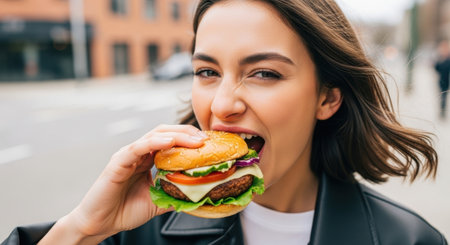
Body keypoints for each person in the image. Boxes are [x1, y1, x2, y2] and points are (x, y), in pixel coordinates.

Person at [3, 0, 448, 244]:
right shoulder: (134, 231)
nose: (222, 104)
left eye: (264, 73)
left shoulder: (407, 241)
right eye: (207, 72)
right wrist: (83, 229)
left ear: (327, 97)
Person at [435, 40, 450, 119]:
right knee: (442, 97)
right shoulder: (440, 58)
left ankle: (443, 111)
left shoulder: (448, 59)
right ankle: (442, 111)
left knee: (444, 96)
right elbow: (436, 68)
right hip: (441, 81)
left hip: (447, 81)